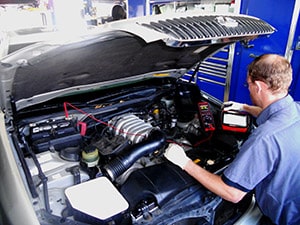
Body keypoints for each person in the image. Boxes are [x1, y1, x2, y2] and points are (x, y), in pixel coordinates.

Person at [164, 54, 300, 224]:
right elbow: (274, 114)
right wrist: (246, 108)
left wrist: (183, 162)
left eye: (248, 84)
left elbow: (232, 193)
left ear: (258, 86)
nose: (248, 88)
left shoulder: (264, 138)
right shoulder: (296, 109)